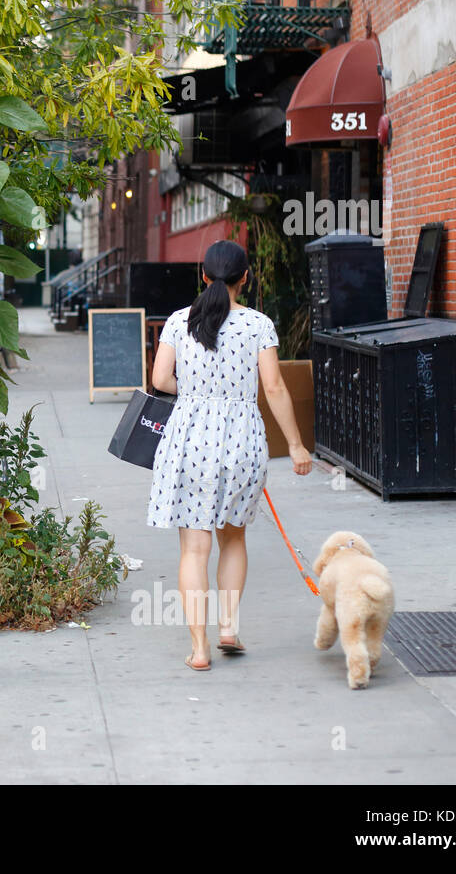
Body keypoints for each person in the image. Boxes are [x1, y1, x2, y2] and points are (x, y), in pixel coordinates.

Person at [146, 239, 312, 672]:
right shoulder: (258, 324)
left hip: (188, 441)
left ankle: (200, 650)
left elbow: (160, 378)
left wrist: (199, 395)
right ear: (246, 278)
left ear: (202, 276)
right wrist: (295, 445)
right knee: (233, 537)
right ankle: (228, 629)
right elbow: (274, 388)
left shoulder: (179, 322)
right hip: (241, 441)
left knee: (194, 549)